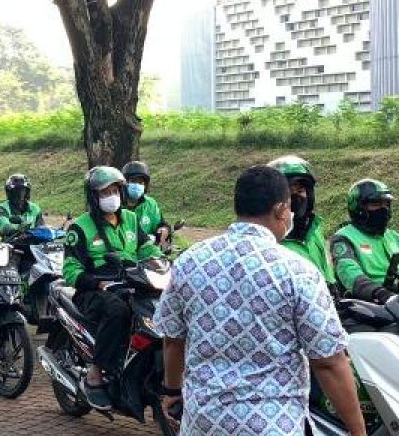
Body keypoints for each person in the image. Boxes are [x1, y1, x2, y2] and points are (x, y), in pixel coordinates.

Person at [154, 165, 366, 436]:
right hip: (271, 424)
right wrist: (358, 432)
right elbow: (328, 361)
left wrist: (173, 389)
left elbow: (173, 339)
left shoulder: (190, 262)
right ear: (280, 209)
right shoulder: (297, 271)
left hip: (203, 422)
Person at [62, 165, 163, 411]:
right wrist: (97, 282)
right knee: (119, 311)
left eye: (115, 190)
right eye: (105, 192)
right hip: (94, 290)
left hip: (131, 282)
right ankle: (95, 373)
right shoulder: (80, 227)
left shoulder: (131, 219)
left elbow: (148, 250)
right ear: (94, 197)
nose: (112, 197)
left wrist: (163, 264)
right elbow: (70, 270)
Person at [269, 155, 334, 284]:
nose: (296, 197)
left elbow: (326, 269)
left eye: (300, 190)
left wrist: (331, 285)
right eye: (288, 192)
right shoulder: (272, 239)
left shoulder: (313, 230)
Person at [121, 160, 169, 242]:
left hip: (148, 249)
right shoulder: (117, 205)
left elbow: (161, 223)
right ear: (125, 183)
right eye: (133, 181)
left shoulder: (150, 204)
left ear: (145, 186)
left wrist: (164, 229)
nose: (137, 185)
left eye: (140, 182)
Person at [0, 173, 44, 239]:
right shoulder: (2, 207)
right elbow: (4, 226)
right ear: (9, 192)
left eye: (22, 191)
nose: (19, 194)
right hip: (11, 244)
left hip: (33, 245)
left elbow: (41, 228)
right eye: (16, 191)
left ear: (27, 192)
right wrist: (17, 231)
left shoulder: (35, 209)